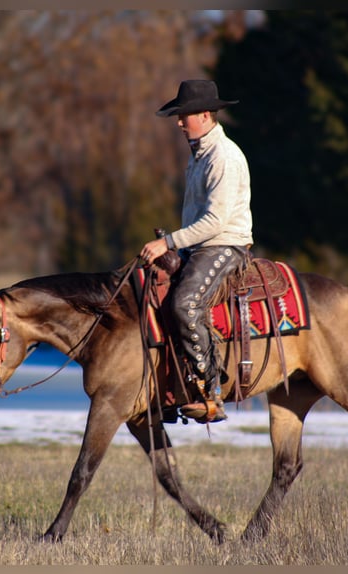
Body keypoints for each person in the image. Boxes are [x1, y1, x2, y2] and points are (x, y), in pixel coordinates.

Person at [139, 79, 253, 423]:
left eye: (184, 115)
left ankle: (210, 393)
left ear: (205, 115)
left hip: (225, 244)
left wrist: (169, 242)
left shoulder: (223, 157)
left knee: (185, 302)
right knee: (151, 292)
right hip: (201, 246)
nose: (178, 122)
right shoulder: (200, 154)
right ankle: (169, 389)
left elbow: (217, 221)